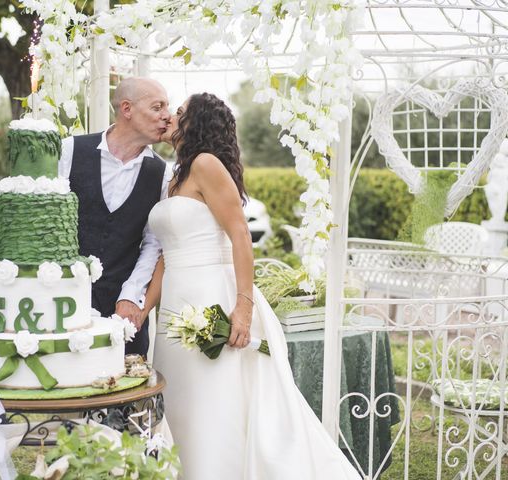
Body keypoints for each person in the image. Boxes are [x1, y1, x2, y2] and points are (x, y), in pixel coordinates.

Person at [143, 93, 361, 479]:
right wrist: (143, 308)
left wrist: (242, 308)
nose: (171, 118)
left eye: (180, 113)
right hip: (176, 305)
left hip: (212, 297)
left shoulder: (206, 165)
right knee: (180, 399)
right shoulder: (176, 175)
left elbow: (241, 235)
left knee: (213, 399)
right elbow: (165, 254)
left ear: (198, 124)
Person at [59, 77, 172, 356]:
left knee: (127, 393)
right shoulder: (70, 150)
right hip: (63, 302)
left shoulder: (162, 174)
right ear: (127, 109)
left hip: (123, 311)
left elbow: (153, 244)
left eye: (167, 108)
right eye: (158, 107)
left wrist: (131, 295)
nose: (167, 116)